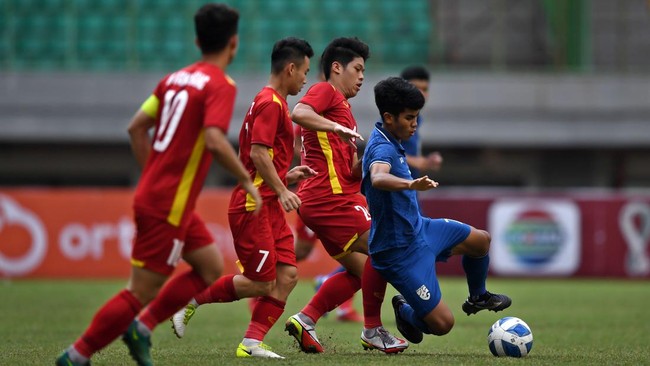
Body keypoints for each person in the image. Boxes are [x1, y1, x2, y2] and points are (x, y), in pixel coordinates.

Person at [55, 4, 260, 366]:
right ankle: (77, 355)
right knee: (140, 291)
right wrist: (246, 179)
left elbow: (136, 127)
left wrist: (154, 173)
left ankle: (143, 329)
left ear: (197, 40)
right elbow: (213, 139)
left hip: (164, 197)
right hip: (168, 203)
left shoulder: (172, 80)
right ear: (234, 43)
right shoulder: (220, 84)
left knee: (210, 267)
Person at [169, 37, 316, 359]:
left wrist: (285, 176)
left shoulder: (269, 101)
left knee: (288, 275)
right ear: (290, 68)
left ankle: (251, 342)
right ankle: (190, 298)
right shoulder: (271, 104)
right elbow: (257, 152)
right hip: (255, 205)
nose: (306, 79)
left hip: (268, 202)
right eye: (305, 71)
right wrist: (281, 189)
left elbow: (259, 160)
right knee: (261, 283)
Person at [361, 76, 512, 346]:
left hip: (421, 229)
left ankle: (478, 296)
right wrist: (411, 183)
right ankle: (405, 309)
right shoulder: (383, 147)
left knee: (481, 240)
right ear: (389, 117)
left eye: (417, 117)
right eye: (409, 118)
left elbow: (365, 169)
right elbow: (378, 178)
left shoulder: (387, 138)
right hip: (399, 252)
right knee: (443, 325)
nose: (414, 124)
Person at [284, 37, 408, 354]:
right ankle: (374, 329)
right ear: (337, 68)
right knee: (387, 250)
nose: (362, 76)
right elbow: (298, 111)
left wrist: (369, 164)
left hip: (325, 199)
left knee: (360, 271)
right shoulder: (326, 91)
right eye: (358, 68)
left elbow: (346, 166)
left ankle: (306, 319)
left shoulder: (344, 109)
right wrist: (336, 129)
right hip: (331, 198)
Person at [399, 66, 443, 178]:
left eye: (425, 89)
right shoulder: (395, 117)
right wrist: (414, 161)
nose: (421, 93)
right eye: (416, 88)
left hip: (410, 189)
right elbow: (381, 149)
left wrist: (427, 161)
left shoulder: (417, 119)